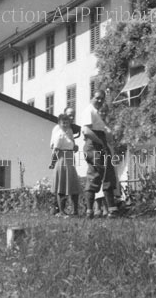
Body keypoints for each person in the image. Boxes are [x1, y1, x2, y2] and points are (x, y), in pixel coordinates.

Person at [82, 90, 118, 218]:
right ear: (92, 97)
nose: (99, 101)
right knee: (104, 174)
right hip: (95, 145)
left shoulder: (95, 112)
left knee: (97, 175)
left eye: (102, 99)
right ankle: (110, 210)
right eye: (97, 98)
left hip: (96, 144)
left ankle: (91, 211)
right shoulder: (89, 110)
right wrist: (101, 142)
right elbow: (86, 131)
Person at [50, 113, 81, 216]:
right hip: (62, 159)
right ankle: (62, 211)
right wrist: (53, 162)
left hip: (70, 159)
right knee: (61, 186)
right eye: (63, 123)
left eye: (67, 123)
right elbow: (55, 150)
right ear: (59, 123)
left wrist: (74, 148)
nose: (65, 125)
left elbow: (71, 145)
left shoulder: (69, 132)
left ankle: (75, 210)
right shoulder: (59, 134)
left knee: (73, 185)